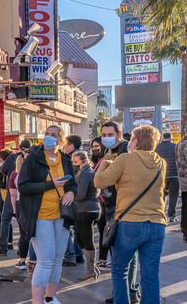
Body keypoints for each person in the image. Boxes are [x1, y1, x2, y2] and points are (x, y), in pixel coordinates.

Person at [94, 125, 167, 304]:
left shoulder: (125, 159)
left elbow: (99, 181)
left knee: (120, 270)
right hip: (157, 224)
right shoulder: (161, 162)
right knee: (150, 276)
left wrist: (105, 162)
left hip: (130, 224)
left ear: (134, 141)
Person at [18, 125, 77, 304]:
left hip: (61, 215)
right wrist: (50, 184)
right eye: (47, 134)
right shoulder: (33, 158)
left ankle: (50, 298)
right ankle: (37, 302)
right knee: (46, 259)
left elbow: (73, 184)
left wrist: (71, 192)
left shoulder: (66, 159)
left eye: (53, 135)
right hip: (40, 215)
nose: (48, 137)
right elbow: (23, 186)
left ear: (60, 140)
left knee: (58, 257)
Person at [97, 121, 139, 303]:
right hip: (109, 205)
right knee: (120, 253)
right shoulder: (109, 151)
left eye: (109, 134)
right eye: (103, 135)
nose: (106, 138)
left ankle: (127, 294)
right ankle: (127, 292)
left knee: (124, 254)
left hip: (120, 208)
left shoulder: (125, 150)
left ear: (119, 133)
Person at [72, 150, 101, 281]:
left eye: (76, 162)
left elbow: (81, 195)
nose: (74, 164)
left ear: (83, 162)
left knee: (86, 239)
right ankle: (92, 268)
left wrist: (68, 195)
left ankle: (90, 270)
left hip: (86, 210)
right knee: (80, 238)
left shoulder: (85, 174)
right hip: (90, 209)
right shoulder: (88, 172)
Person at [62, 134, 84, 267]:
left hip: (74, 199)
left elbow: (71, 180)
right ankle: (78, 254)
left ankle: (74, 255)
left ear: (71, 146)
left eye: (65, 144)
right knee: (75, 229)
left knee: (70, 228)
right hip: (78, 200)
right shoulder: (78, 155)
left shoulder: (71, 158)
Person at [90, 137, 111, 269]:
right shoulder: (98, 161)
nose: (94, 149)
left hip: (107, 201)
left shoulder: (105, 161)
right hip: (101, 201)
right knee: (103, 231)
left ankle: (103, 259)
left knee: (106, 232)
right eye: (93, 147)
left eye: (97, 146)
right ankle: (102, 259)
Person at [0, 148, 15, 255]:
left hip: (6, 194)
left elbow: (6, 184)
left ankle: (6, 243)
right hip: (2, 194)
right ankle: (5, 241)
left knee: (4, 218)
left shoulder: (7, 169)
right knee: (0, 217)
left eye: (0, 160)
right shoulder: (2, 168)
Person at [154, 133, 179, 222]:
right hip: (174, 175)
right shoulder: (176, 147)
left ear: (163, 138)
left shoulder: (157, 147)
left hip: (162, 175)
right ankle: (172, 215)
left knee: (161, 196)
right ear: (171, 138)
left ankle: (161, 214)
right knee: (173, 196)